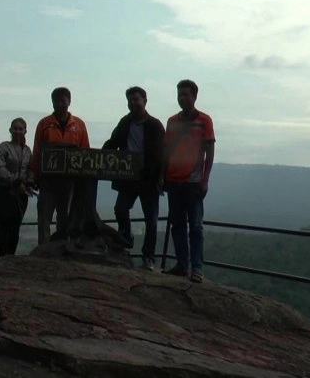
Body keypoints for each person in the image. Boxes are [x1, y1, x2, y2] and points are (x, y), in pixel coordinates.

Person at [102, 86, 165, 271]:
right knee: (120, 208)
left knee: (151, 220)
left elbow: (164, 154)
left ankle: (148, 258)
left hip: (149, 178)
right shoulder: (125, 122)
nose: (133, 103)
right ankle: (126, 238)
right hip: (128, 176)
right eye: (130, 100)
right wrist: (99, 155)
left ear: (145, 101)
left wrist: (162, 177)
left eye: (136, 99)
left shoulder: (155, 125)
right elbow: (113, 142)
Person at [161, 79, 215, 283]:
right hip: (173, 180)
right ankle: (183, 265)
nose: (182, 98)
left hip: (193, 182)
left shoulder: (204, 121)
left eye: (185, 94)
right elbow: (166, 151)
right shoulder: (172, 122)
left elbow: (209, 151)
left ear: (194, 96)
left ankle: (197, 268)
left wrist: (205, 179)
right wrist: (162, 176)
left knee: (195, 226)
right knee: (177, 225)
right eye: (179, 95)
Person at [31, 87, 90, 244]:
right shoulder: (44, 124)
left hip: (69, 180)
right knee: (44, 215)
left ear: (69, 101)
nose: (59, 104)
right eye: (56, 101)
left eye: (63, 100)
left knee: (65, 216)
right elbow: (37, 151)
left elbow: (86, 152)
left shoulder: (79, 125)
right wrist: (35, 175)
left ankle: (61, 247)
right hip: (48, 179)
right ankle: (43, 248)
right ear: (52, 102)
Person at [0, 118, 35, 255]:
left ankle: (11, 255)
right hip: (5, 192)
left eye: (20, 129)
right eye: (15, 128)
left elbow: (30, 169)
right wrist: (16, 182)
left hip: (21, 196)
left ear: (25, 131)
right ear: (10, 130)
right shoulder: (2, 148)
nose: (17, 131)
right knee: (4, 225)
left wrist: (29, 183)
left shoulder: (27, 151)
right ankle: (2, 256)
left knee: (15, 227)